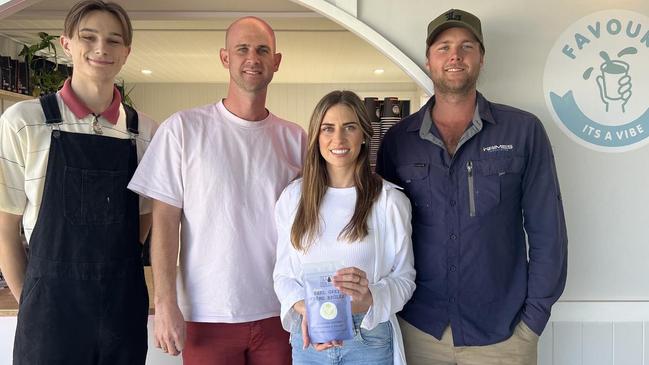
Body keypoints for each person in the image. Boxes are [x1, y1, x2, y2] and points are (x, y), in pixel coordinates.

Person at [376, 9, 568, 365]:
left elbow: (548, 232)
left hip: (504, 334)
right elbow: (381, 236)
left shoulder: (523, 132)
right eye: (443, 47)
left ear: (481, 58)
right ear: (429, 59)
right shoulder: (398, 142)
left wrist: (533, 321)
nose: (455, 55)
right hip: (418, 330)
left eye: (466, 46)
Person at [127, 16, 306, 365]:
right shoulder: (183, 129)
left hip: (282, 311)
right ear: (225, 58)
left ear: (276, 61)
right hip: (207, 314)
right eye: (242, 49)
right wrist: (165, 303)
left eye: (262, 50)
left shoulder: (295, 138)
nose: (252, 58)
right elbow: (164, 223)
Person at [0, 1, 157, 364]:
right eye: (89, 37)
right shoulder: (23, 121)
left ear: (126, 52)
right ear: (67, 43)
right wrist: (34, 302)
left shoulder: (146, 132)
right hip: (50, 311)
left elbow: (145, 218)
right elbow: (6, 228)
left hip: (121, 307)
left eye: (114, 40)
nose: (102, 48)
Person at [273, 90, 416, 365]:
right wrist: (307, 310)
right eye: (328, 128)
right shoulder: (293, 199)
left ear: (363, 134)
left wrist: (370, 297)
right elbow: (283, 276)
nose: (338, 139)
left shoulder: (389, 201)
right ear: (317, 136)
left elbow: (405, 279)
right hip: (310, 340)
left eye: (349, 127)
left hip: (369, 338)